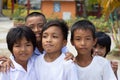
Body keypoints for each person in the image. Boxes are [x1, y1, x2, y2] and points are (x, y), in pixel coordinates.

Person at [0, 12, 73, 71]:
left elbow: (68, 58)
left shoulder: (58, 47)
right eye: (31, 27)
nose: (36, 30)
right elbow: (15, 59)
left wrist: (71, 57)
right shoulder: (27, 48)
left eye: (41, 26)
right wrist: (8, 61)